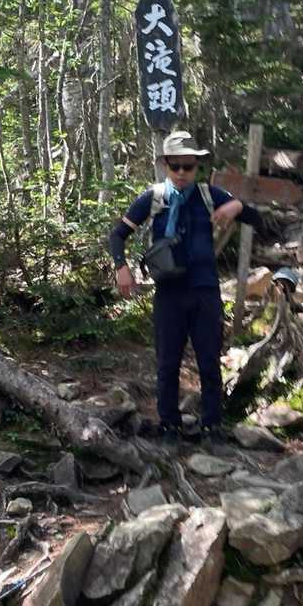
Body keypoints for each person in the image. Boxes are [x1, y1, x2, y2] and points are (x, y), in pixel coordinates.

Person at [108, 130, 263, 446]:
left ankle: (212, 426)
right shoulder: (153, 198)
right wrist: (121, 267)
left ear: (197, 166)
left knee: (209, 362)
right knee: (167, 363)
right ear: (165, 164)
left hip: (205, 292)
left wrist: (236, 207)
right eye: (175, 166)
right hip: (169, 294)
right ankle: (169, 426)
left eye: (188, 166)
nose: (181, 173)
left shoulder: (209, 195)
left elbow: (256, 218)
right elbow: (117, 234)